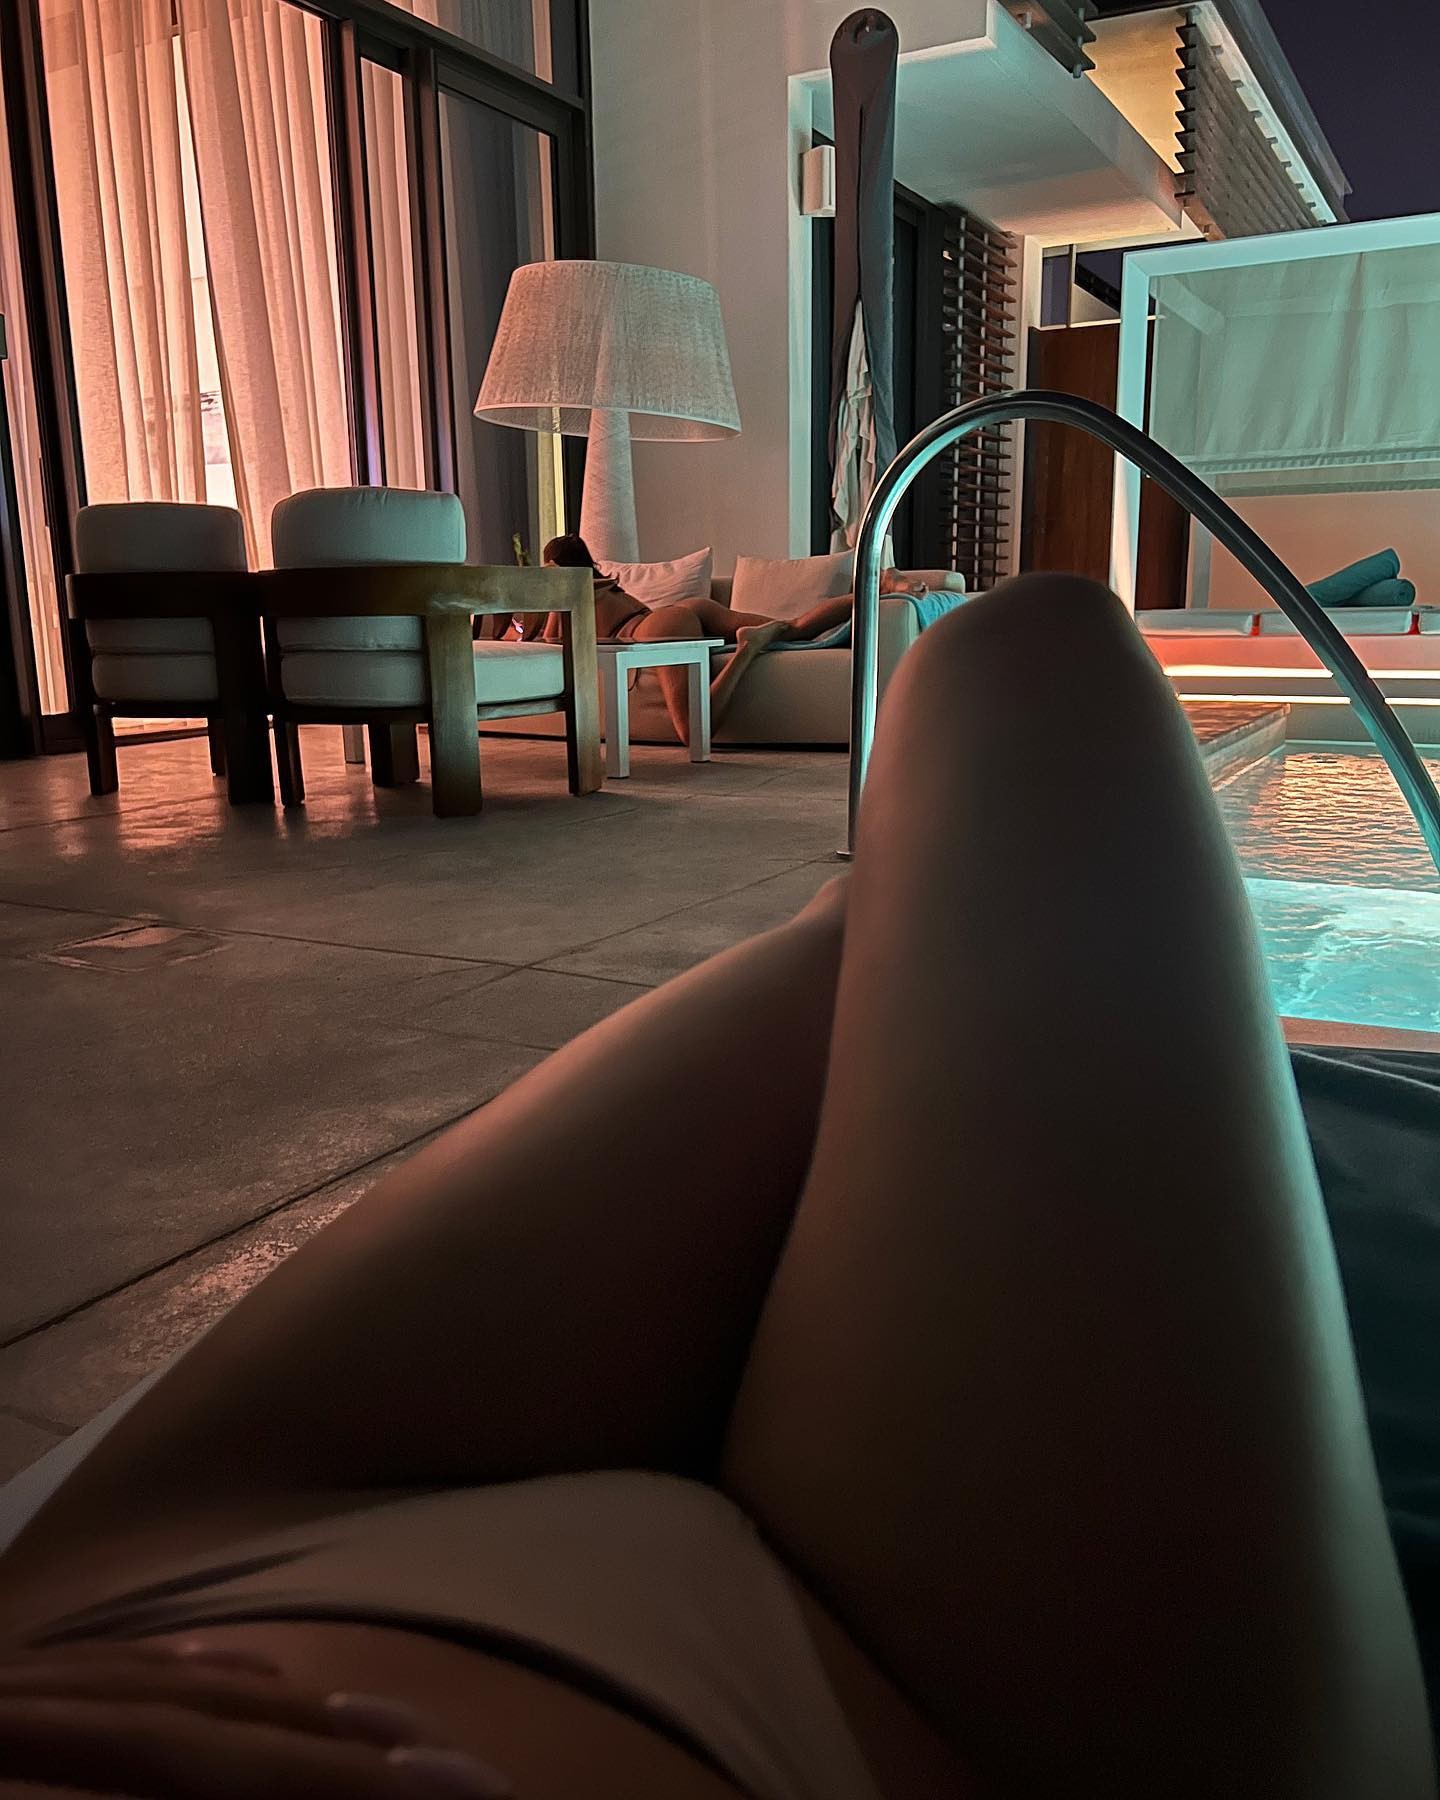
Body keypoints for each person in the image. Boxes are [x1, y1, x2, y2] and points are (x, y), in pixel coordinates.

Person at [0, 574, 1433, 1800]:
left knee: (963, 765)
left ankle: (866, 953)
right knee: (1024, 683)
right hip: (853, 1733)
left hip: (140, 1575)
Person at [528, 533, 923, 742]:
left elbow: (548, 643)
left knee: (692, 730)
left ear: (554, 565)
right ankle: (880, 584)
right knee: (795, 627)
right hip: (678, 612)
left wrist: (542, 604)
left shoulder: (569, 590)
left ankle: (747, 649)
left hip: (652, 629)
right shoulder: (607, 585)